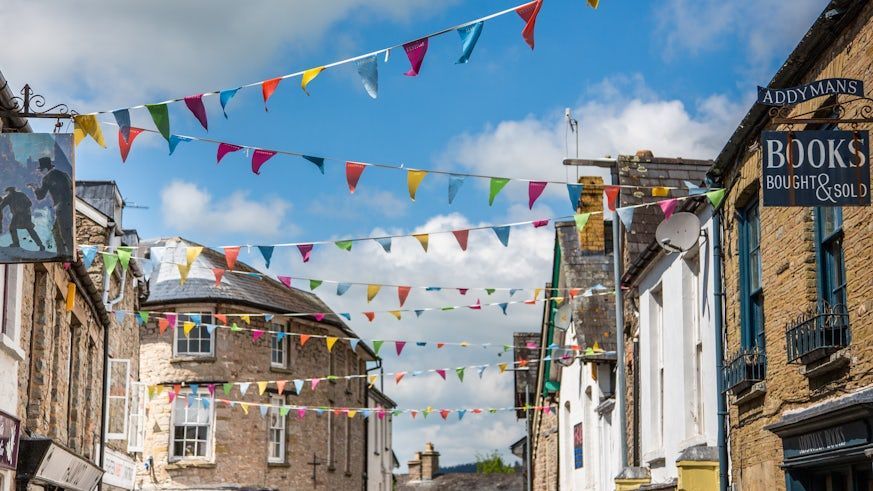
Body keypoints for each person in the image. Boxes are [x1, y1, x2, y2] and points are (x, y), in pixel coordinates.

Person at [29, 156, 72, 255]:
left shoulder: (46, 178)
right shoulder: (64, 175)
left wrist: (34, 187)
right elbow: (71, 189)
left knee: (64, 233)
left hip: (61, 207)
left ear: (45, 169)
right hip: (70, 206)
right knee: (58, 231)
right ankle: (62, 253)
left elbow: (40, 196)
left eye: (40, 170)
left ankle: (65, 254)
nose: (40, 172)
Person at [0, 186, 45, 251]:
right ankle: (17, 243)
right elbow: (2, 206)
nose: (10, 192)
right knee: (15, 228)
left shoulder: (19, 195)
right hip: (20, 215)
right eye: (10, 191)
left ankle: (40, 245)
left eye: (10, 191)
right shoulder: (11, 197)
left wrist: (23, 209)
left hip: (24, 215)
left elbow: (29, 203)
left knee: (27, 229)